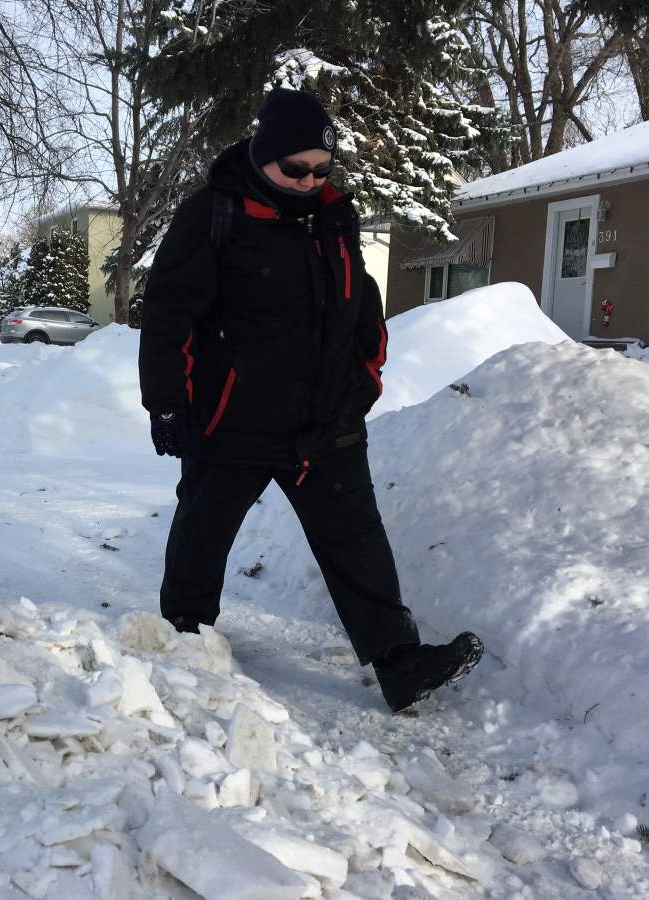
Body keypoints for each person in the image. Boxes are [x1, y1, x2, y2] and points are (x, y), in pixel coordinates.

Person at [138, 88, 482, 712]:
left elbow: (362, 304)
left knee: (357, 541)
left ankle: (399, 662)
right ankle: (181, 640)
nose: (307, 180)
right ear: (263, 155)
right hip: (232, 422)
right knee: (203, 533)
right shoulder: (213, 215)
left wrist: (365, 378)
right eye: (294, 168)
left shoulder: (332, 215)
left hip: (326, 420)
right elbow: (169, 316)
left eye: (320, 169)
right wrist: (169, 403)